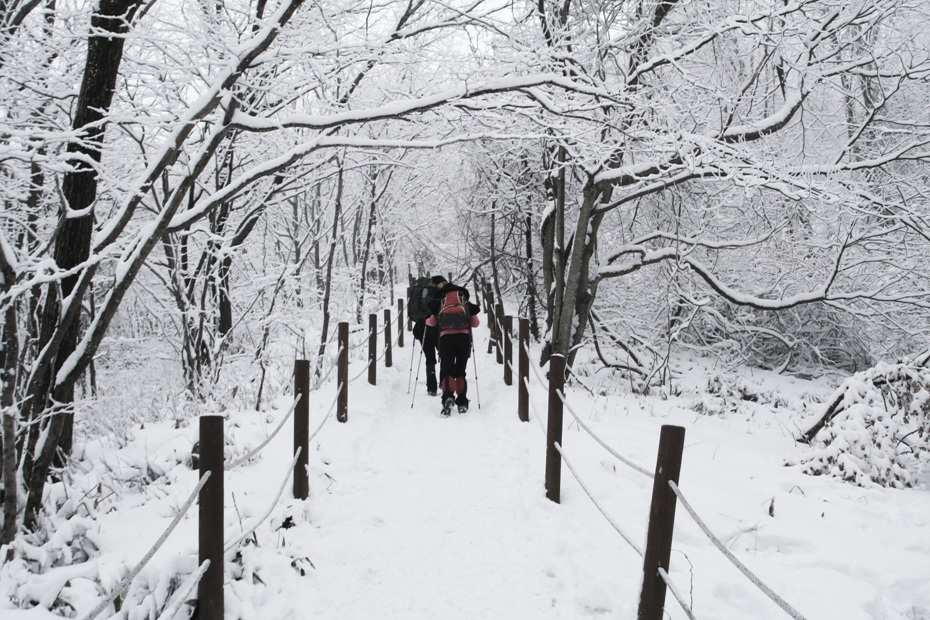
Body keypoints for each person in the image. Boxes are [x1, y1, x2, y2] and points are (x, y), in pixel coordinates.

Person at [425, 281, 480, 416]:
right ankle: (462, 402)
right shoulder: (464, 301)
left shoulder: (441, 302)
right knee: (461, 371)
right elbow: (475, 323)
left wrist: (426, 320)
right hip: (464, 340)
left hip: (446, 340)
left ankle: (448, 396)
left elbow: (432, 322)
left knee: (447, 370)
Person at [412, 275, 446, 395]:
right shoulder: (437, 293)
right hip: (436, 327)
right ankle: (443, 382)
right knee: (443, 354)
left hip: (422, 327)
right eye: (442, 283)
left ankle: (431, 388)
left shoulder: (421, 293)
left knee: (429, 358)